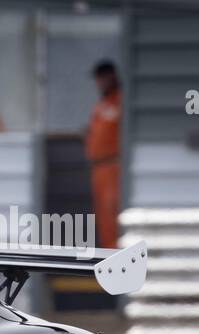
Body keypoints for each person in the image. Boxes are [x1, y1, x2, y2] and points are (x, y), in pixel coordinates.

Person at [86, 60, 122, 249]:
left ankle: (119, 257)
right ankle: (109, 257)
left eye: (103, 78)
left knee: (112, 214)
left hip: (113, 166)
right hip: (98, 168)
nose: (100, 83)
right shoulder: (101, 105)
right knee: (103, 219)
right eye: (98, 79)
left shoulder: (121, 101)